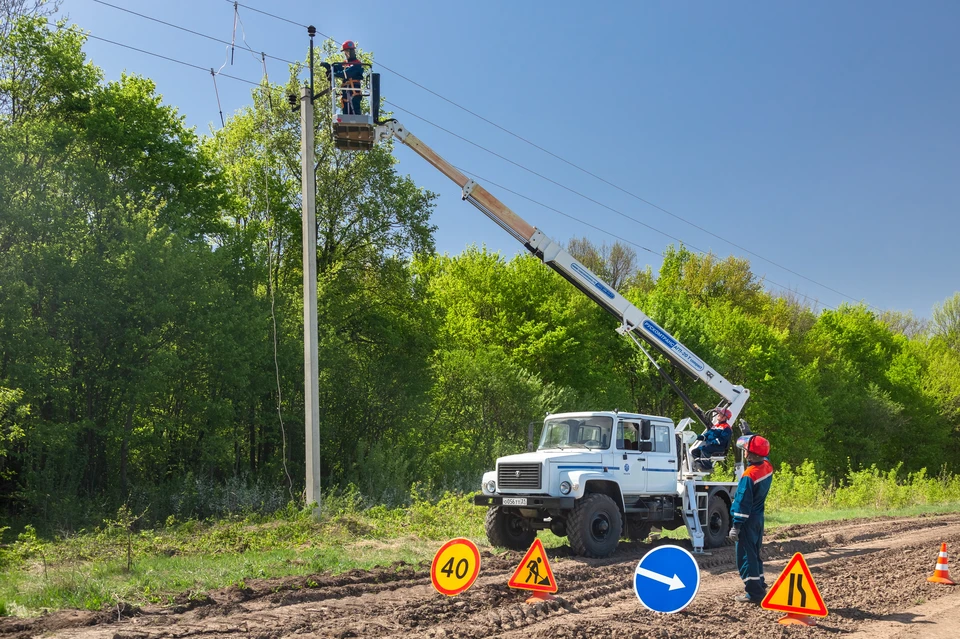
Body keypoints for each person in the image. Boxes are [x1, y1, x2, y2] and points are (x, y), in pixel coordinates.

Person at [728, 434, 773, 604]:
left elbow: (741, 502)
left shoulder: (749, 475)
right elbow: (764, 454)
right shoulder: (767, 467)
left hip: (747, 521)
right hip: (758, 519)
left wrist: (736, 526)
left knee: (746, 558)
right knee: (754, 554)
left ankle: (754, 594)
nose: (744, 452)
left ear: (751, 454)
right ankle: (760, 585)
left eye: (746, 450)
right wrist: (750, 433)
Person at [320, 41, 365, 115]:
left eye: (347, 51)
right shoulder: (345, 63)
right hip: (346, 91)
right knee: (346, 109)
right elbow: (336, 67)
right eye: (345, 52)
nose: (345, 54)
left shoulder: (357, 64)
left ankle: (357, 122)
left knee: (355, 110)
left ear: (352, 51)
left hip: (354, 90)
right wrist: (328, 67)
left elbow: (347, 73)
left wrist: (333, 74)